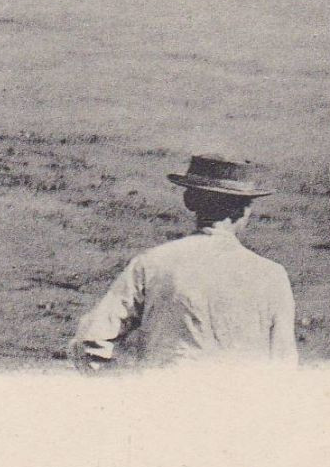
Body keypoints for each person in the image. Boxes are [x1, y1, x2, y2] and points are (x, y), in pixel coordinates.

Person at [71, 154, 298, 369]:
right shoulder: (271, 275)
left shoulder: (152, 264)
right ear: (244, 211)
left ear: (189, 200)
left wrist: (130, 386)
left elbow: (91, 341)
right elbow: (283, 366)